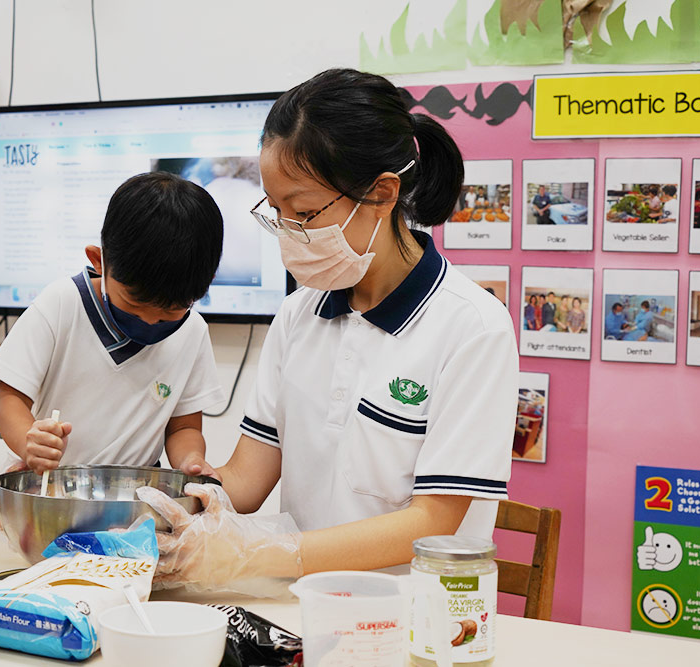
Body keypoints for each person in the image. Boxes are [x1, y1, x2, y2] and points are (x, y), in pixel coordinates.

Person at [138, 68, 518, 594]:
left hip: (414, 620)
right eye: (276, 213)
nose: (290, 234)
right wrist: (176, 502)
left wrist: (267, 552)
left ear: (382, 193)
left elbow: (433, 521)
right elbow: (247, 480)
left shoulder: (471, 328)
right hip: (304, 616)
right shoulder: (299, 316)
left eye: (304, 212)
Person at [0, 172, 226, 477]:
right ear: (99, 261)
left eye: (171, 311)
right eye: (135, 304)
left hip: (137, 497)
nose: (151, 320)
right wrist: (30, 444)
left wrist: (191, 460)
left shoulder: (193, 332)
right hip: (53, 489)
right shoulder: (61, 304)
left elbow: (185, 426)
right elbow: (10, 400)